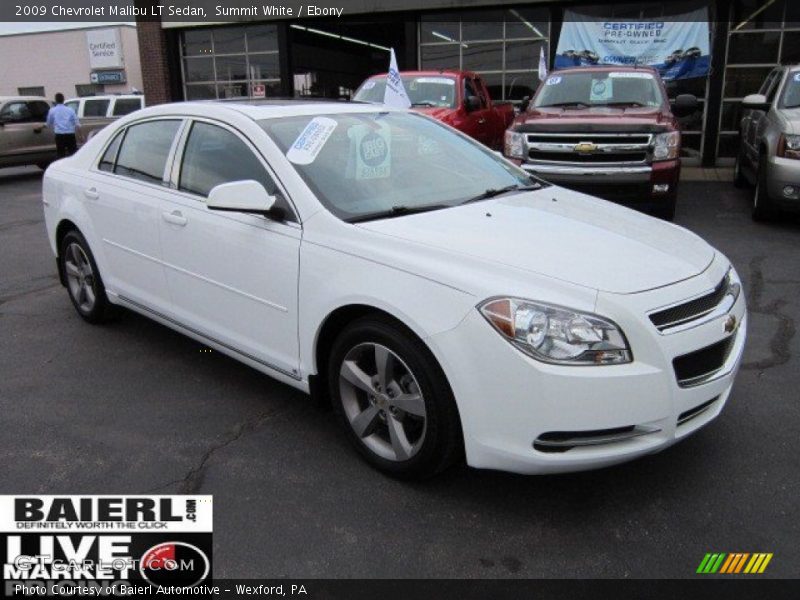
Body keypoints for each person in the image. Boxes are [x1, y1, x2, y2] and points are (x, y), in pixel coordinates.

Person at [44, 93, 81, 158]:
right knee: (73, 153)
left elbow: (48, 123)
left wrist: (40, 127)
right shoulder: (70, 110)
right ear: (63, 99)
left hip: (59, 135)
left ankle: (62, 164)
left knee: (61, 154)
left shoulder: (52, 110)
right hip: (70, 134)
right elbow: (77, 123)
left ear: (56, 100)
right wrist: (81, 135)